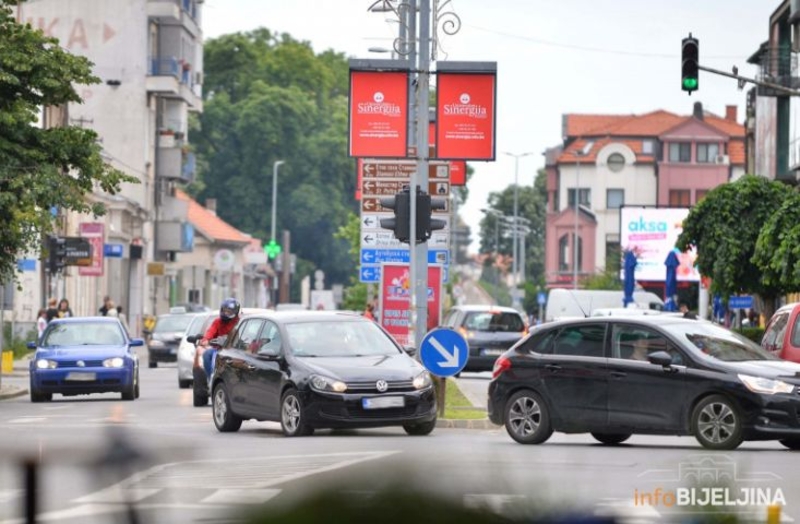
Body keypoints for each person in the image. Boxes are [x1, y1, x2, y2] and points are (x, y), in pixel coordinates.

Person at [195, 297, 241, 380]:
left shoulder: (239, 322)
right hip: (219, 349)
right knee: (207, 355)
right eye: (224, 310)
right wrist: (205, 340)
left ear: (235, 312)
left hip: (234, 351)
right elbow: (210, 331)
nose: (226, 313)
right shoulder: (217, 322)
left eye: (229, 311)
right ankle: (211, 379)